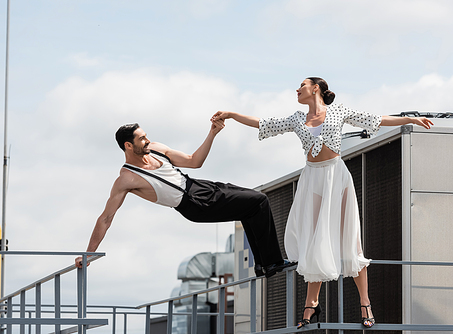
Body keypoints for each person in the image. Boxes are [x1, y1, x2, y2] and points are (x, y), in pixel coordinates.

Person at [211, 77, 433, 328]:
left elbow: (376, 119)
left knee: (351, 240)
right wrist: (230, 114)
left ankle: (365, 303)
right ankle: (311, 305)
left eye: (302, 85)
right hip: (312, 180)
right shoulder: (297, 118)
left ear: (315, 88)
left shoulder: (338, 111)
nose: (297, 89)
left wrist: (410, 119)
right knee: (314, 241)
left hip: (336, 177)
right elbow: (264, 124)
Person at [75, 120, 295, 279]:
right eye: (141, 138)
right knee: (258, 201)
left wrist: (212, 133)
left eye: (145, 135)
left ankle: (264, 264)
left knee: (253, 206)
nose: (147, 140)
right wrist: (89, 254)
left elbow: (194, 160)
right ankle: (270, 263)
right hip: (192, 205)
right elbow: (106, 218)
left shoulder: (157, 150)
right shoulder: (127, 179)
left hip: (199, 186)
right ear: (128, 146)